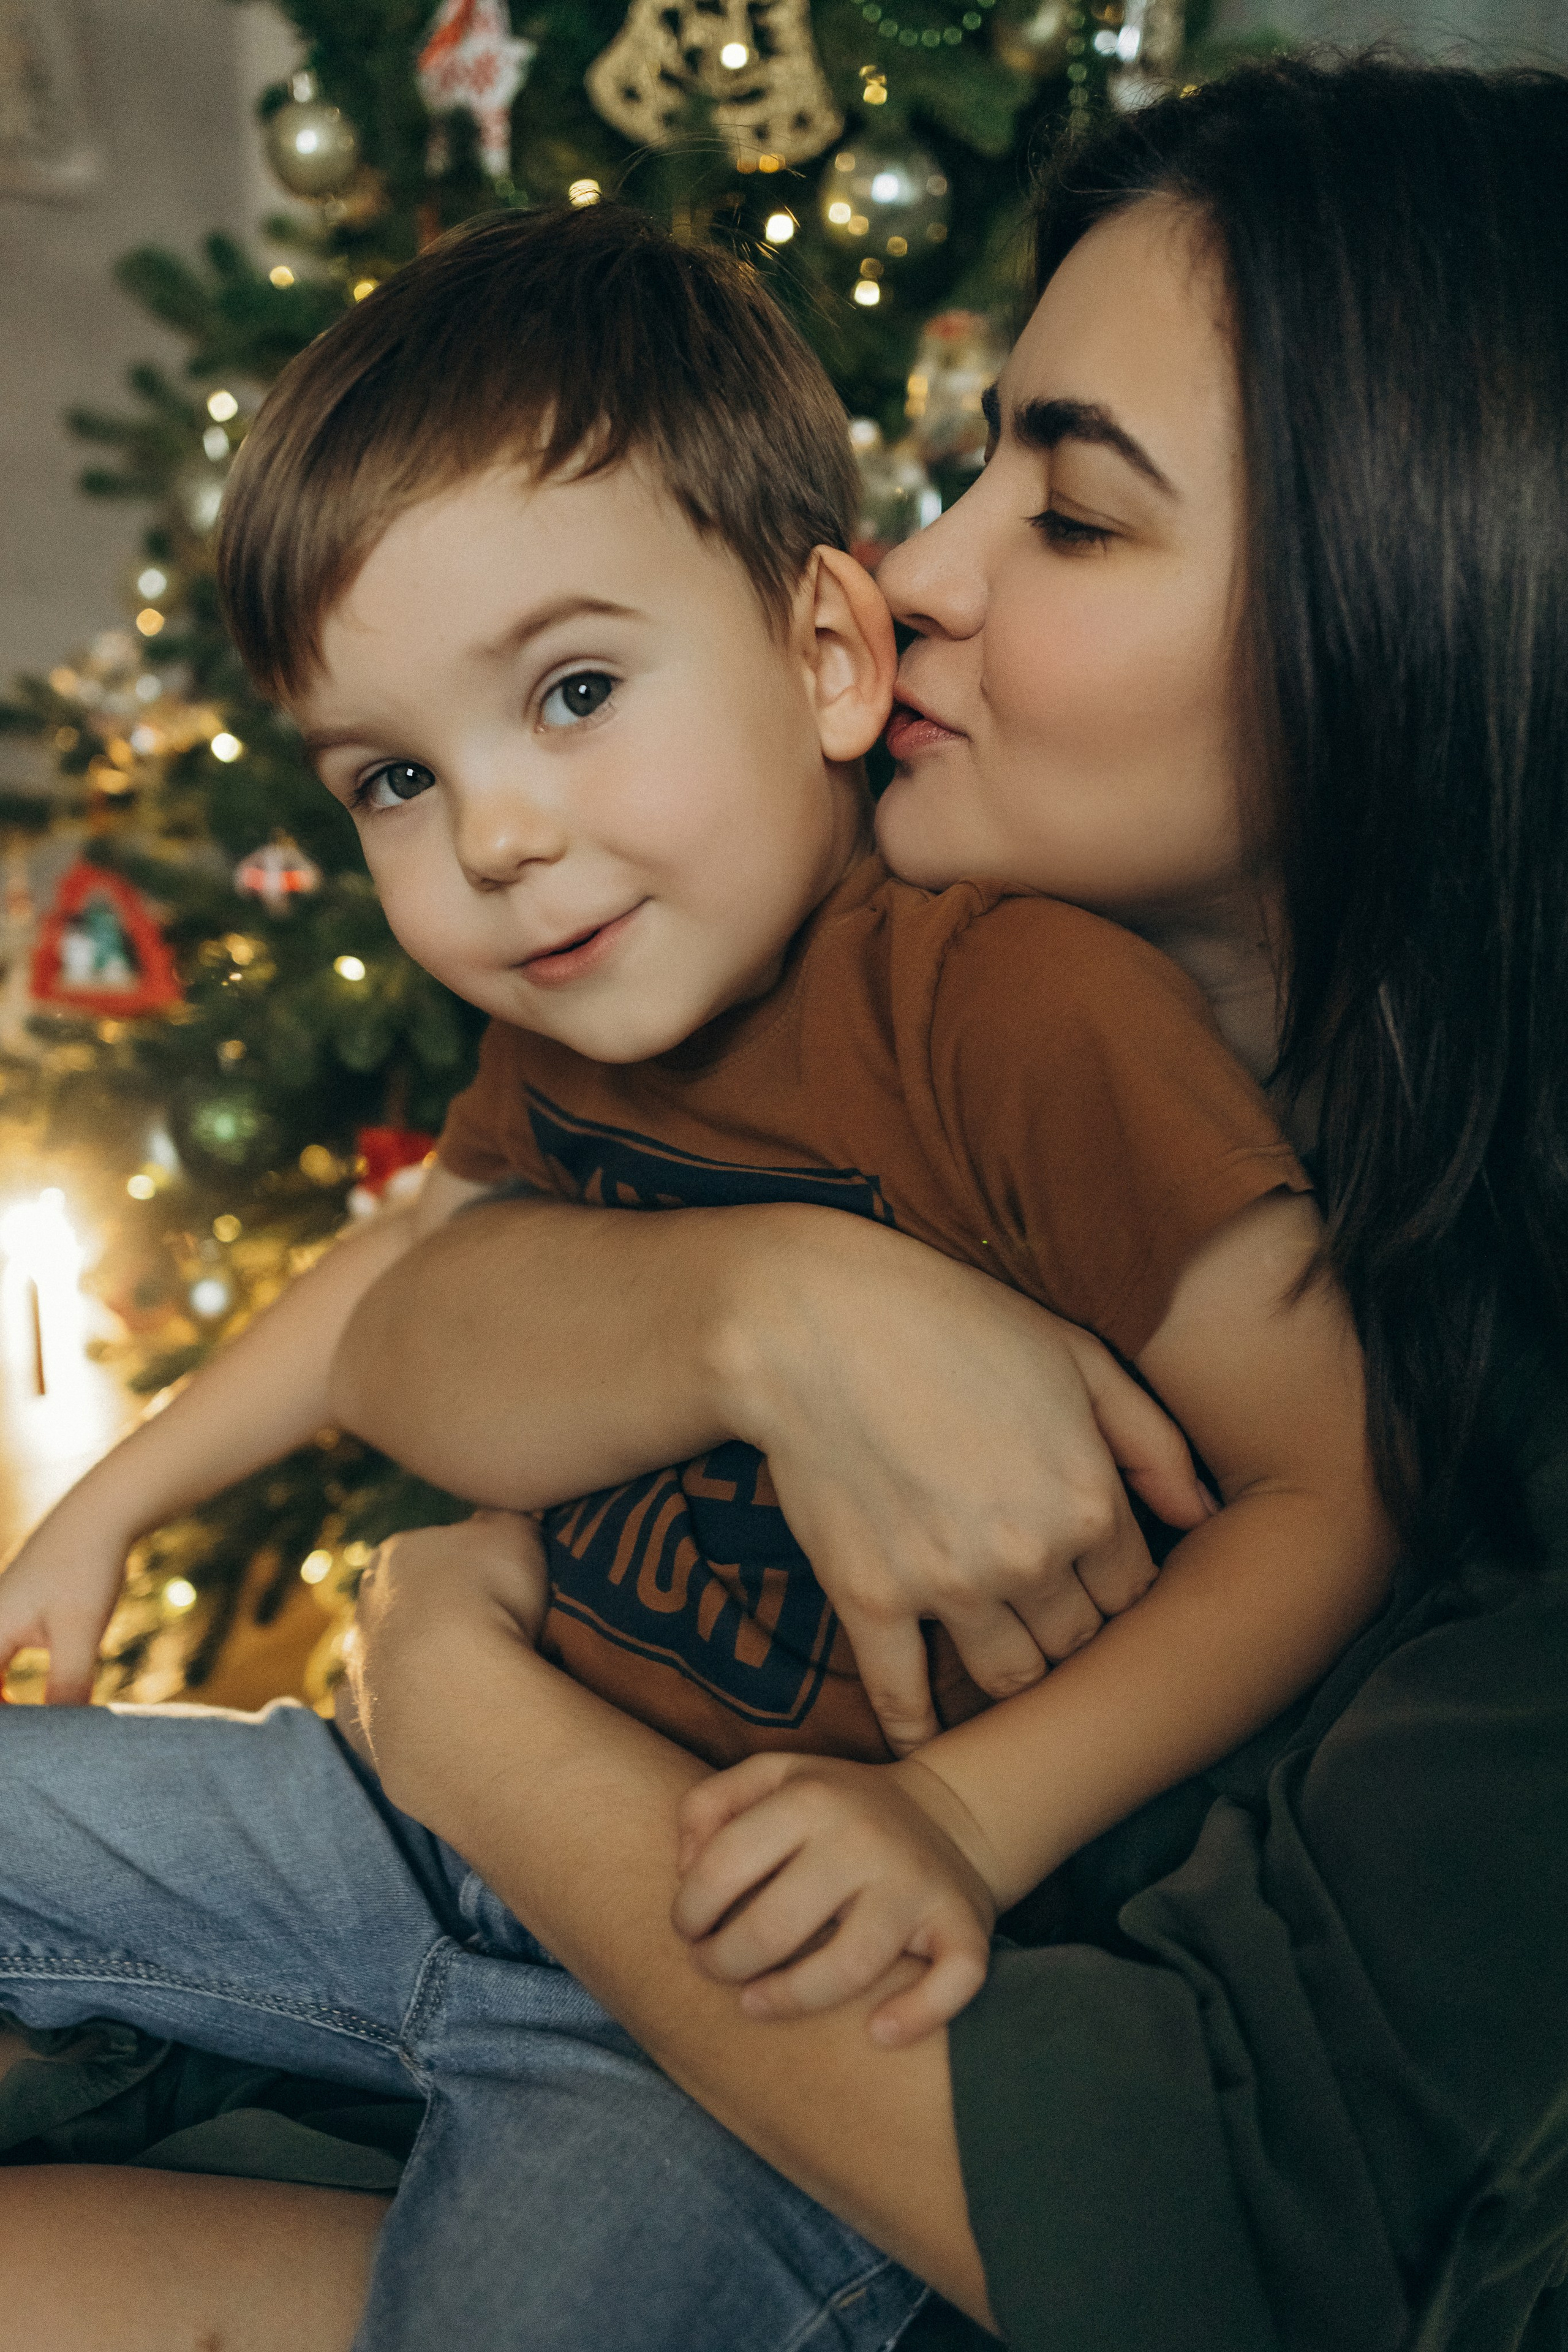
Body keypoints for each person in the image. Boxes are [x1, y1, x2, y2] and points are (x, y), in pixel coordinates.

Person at [4, 50, 1567, 2351]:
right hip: (457, 1878)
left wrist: (484, 1698)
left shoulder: (1054, 1037)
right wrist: (747, 1311)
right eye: (400, 779)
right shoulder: (652, 988)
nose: (909, 575)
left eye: (1074, 513)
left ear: (1424, 606)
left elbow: (1171, 2212)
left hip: (720, 2007)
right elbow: (423, 1299)